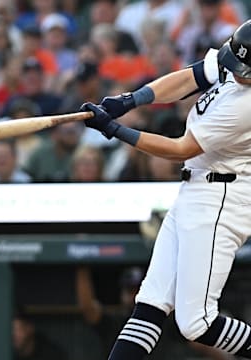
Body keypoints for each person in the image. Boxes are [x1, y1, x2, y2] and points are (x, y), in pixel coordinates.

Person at [79, 19, 251, 359]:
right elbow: (191, 77)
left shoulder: (246, 106)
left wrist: (115, 129)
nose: (238, 71)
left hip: (222, 199)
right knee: (150, 304)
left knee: (197, 324)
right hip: (195, 191)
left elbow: (180, 149)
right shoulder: (237, 61)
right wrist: (131, 100)